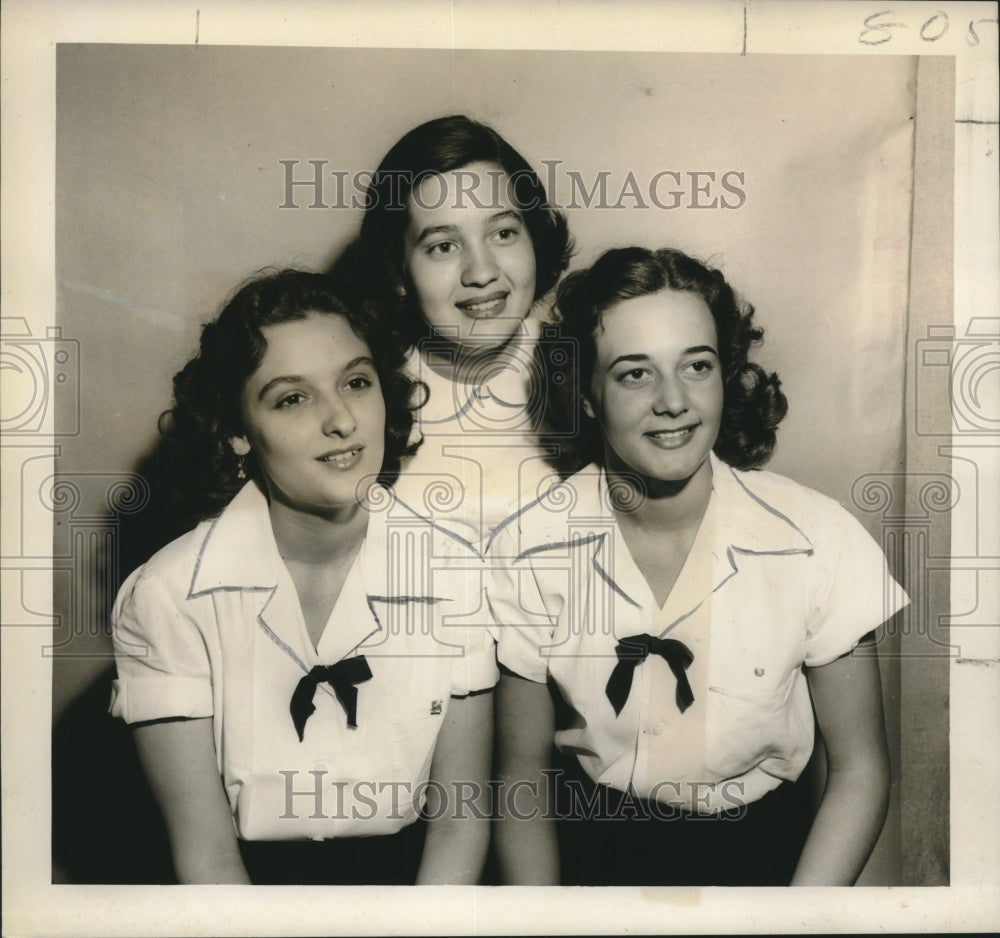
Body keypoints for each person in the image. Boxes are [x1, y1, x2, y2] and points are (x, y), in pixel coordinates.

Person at [488, 246, 908, 886]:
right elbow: (520, 775)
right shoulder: (529, 549)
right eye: (635, 374)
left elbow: (859, 769)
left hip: (769, 861)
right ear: (588, 394)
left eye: (697, 366)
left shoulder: (818, 539)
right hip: (592, 859)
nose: (674, 401)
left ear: (725, 373)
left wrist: (800, 920)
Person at [109, 270, 496, 885]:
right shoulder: (168, 596)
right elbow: (206, 853)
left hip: (418, 898)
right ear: (238, 431)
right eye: (293, 397)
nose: (342, 420)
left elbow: (460, 822)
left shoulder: (455, 572)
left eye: (357, 383)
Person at [333, 114, 573, 546]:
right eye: (443, 246)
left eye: (503, 233)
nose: (481, 273)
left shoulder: (585, 367)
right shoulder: (365, 393)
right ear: (397, 272)